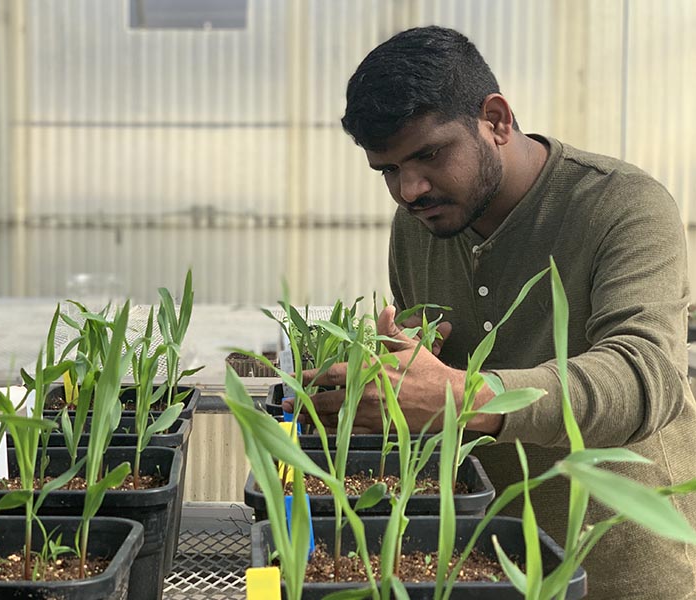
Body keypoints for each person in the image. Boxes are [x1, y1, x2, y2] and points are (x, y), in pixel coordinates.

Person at [283, 25, 696, 599]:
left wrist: (461, 396)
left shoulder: (621, 205)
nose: (409, 189)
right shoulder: (417, 225)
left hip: (620, 566)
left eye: (429, 154)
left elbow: (644, 377)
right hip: (477, 562)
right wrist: (385, 383)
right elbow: (429, 376)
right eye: (388, 170)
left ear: (497, 120)